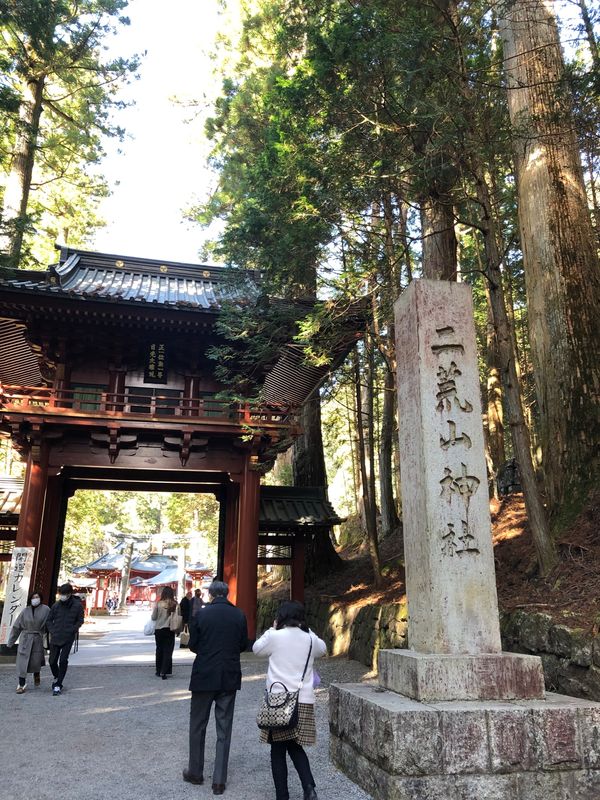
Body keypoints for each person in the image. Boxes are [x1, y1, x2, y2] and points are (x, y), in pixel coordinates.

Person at [253, 601, 326, 800]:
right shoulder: (310, 639)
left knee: (278, 750)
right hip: (303, 700)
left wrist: (272, 628)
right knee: (294, 745)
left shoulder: (275, 636)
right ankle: (309, 788)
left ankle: (282, 796)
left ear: (281, 617)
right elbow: (322, 648)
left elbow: (256, 649)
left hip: (279, 701)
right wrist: (308, 630)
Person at [184, 580, 248, 795]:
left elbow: (193, 644)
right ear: (227, 594)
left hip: (204, 674)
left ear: (210, 594)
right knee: (224, 728)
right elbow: (243, 645)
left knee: (197, 724)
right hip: (228, 674)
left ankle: (195, 772)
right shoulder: (239, 615)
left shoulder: (201, 614)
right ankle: (219, 780)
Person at [7, 590, 50, 694]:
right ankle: (21, 684)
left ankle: (36, 672)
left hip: (37, 639)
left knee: (35, 661)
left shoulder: (46, 610)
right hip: (25, 639)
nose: (35, 599)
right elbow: (17, 626)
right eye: (33, 597)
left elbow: (50, 624)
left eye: (37, 597)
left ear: (40, 598)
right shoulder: (25, 611)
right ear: (30, 599)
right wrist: (11, 641)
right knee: (22, 662)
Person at [46, 582, 84, 696]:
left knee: (63, 660)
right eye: (61, 594)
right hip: (55, 636)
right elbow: (49, 620)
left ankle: (58, 684)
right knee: (52, 661)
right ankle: (57, 676)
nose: (62, 596)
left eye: (64, 594)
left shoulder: (77, 606)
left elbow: (80, 620)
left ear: (69, 594)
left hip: (68, 636)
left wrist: (73, 629)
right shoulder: (56, 606)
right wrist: (52, 630)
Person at [151, 586, 177, 679]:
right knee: (168, 650)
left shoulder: (158, 604)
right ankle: (164, 671)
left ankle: (158, 670)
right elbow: (178, 617)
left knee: (159, 649)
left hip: (159, 629)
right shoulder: (175, 604)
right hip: (169, 629)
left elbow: (153, 617)